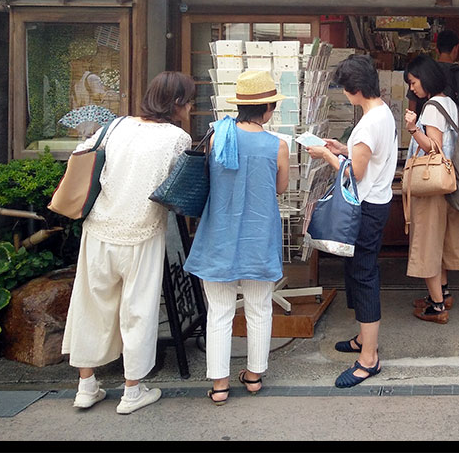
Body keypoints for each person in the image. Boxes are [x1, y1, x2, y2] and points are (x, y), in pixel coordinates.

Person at [62, 71, 195, 414]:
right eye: (189, 100)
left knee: (91, 305)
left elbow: (80, 154)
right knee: (138, 309)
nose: (191, 106)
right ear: (177, 103)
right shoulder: (176, 138)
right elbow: (178, 186)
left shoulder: (116, 126)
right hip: (142, 231)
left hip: (100, 228)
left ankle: (86, 385)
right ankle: (131, 390)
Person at [183, 70, 290, 405]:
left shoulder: (218, 136)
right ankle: (254, 376)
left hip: (220, 233)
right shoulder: (278, 146)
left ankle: (219, 384)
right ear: (268, 108)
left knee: (219, 311)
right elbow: (280, 188)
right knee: (259, 307)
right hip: (259, 234)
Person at [304, 54, 398, 388]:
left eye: (345, 88)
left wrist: (327, 155)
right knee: (359, 271)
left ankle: (369, 359)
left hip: (366, 207)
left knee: (364, 275)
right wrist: (344, 148)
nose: (343, 94)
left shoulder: (369, 123)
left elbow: (355, 174)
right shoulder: (382, 112)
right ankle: (363, 339)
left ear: (356, 88)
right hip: (379, 201)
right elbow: (368, 158)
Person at [403, 54, 459, 324]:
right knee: (441, 242)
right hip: (448, 183)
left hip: (431, 185)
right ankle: (442, 293)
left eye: (414, 81)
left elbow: (433, 146)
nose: (412, 88)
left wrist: (411, 128)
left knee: (428, 243)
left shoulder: (431, 107)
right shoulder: (449, 103)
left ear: (426, 78)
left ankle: (437, 307)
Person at [407, 29, 459, 139]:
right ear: (456, 48)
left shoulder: (423, 74)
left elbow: (412, 109)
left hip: (425, 136)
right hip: (457, 139)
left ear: (437, 49)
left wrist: (414, 132)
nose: (412, 87)